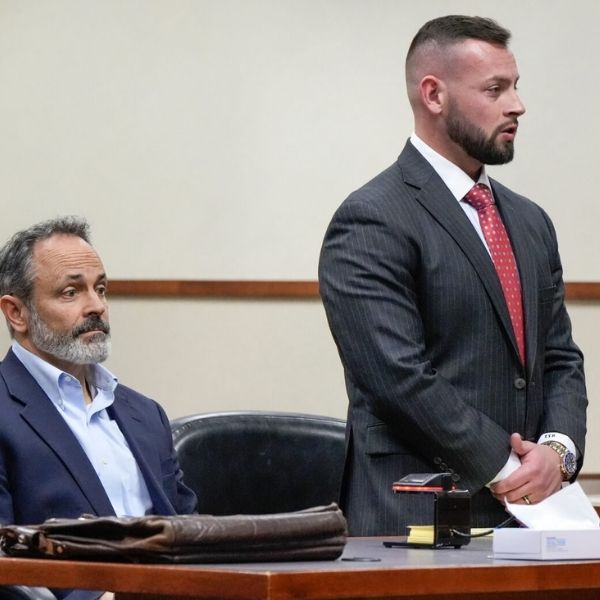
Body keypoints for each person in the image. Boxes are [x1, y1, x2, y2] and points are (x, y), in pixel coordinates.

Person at [318, 15, 587, 535]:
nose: (517, 105)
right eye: (495, 89)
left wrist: (557, 452)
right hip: (414, 521)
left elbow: (559, 357)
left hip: (534, 521)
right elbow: (399, 378)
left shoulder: (530, 220)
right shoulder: (372, 217)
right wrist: (510, 471)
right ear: (434, 95)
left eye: (516, 86)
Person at [0, 216, 197, 599]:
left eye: (101, 288)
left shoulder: (145, 414)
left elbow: (191, 533)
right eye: (71, 292)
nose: (96, 306)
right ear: (16, 313)